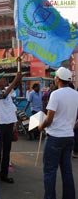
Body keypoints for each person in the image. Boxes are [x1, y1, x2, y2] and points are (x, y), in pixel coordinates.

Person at [38, 67, 78, 199]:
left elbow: (49, 118)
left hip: (55, 137)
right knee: (67, 171)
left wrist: (40, 126)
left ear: (58, 79)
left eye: (55, 77)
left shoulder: (55, 94)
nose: (54, 79)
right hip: (69, 137)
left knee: (50, 171)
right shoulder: (75, 94)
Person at [0, 72, 21, 184]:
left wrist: (18, 77)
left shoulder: (8, 89)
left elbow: (15, 86)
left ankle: (4, 175)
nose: (4, 80)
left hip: (8, 125)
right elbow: (3, 95)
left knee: (7, 151)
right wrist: (15, 80)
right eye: (2, 79)